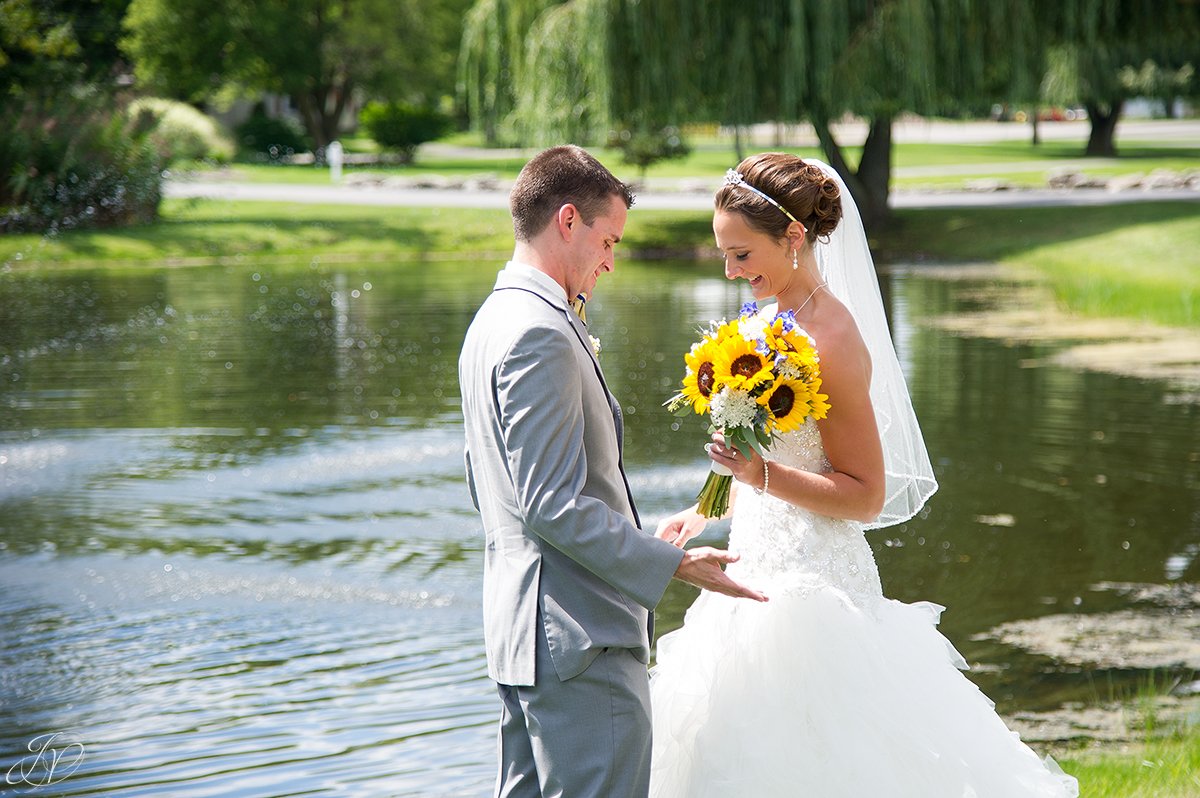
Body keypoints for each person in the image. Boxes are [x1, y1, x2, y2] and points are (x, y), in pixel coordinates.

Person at [648, 153, 1079, 797]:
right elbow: (755, 453)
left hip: (814, 587)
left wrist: (762, 475)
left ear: (794, 238)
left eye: (742, 255)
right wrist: (704, 510)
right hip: (747, 565)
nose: (732, 271)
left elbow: (864, 494)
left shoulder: (834, 338)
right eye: (724, 256)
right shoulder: (757, 322)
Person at [458, 145, 767, 798]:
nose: (610, 261)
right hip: (579, 644)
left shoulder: (493, 320)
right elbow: (549, 503)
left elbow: (492, 487)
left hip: (521, 639)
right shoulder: (539, 332)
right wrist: (673, 565)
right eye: (608, 240)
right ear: (568, 221)